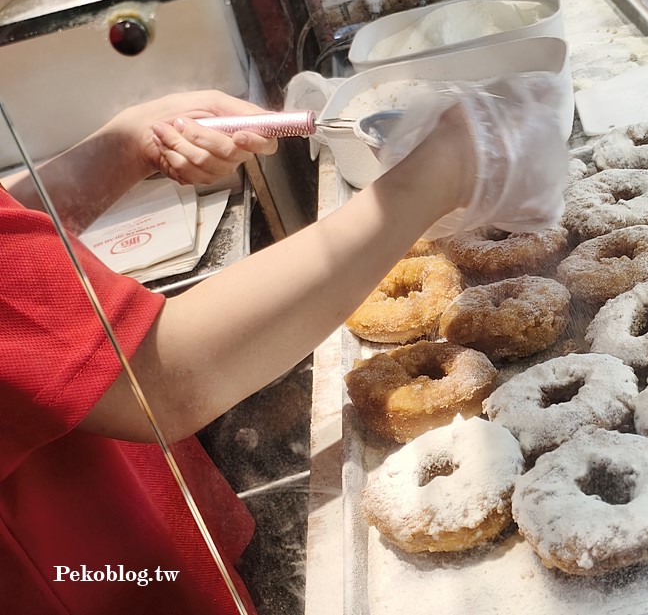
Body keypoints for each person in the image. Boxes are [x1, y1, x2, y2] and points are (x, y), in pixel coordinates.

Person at [0, 77, 569, 614]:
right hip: (73, 572)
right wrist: (443, 171)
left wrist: (124, 147)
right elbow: (156, 379)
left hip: (108, 507)